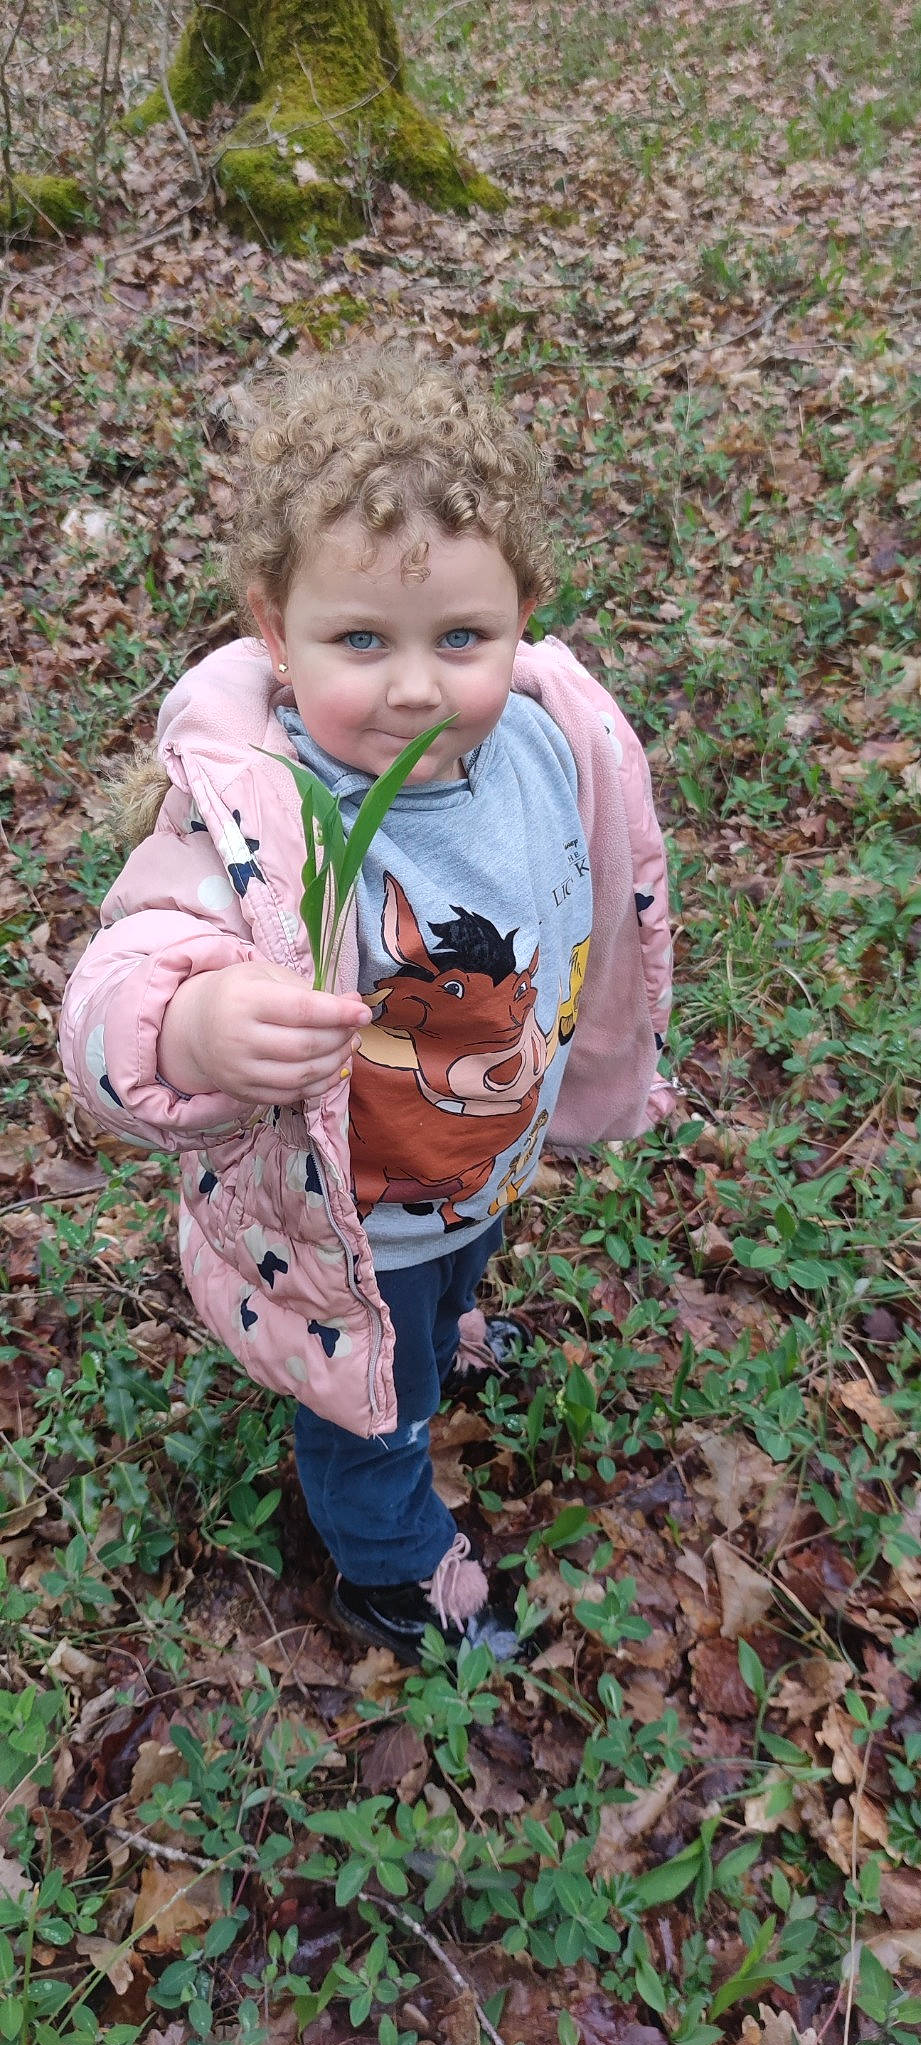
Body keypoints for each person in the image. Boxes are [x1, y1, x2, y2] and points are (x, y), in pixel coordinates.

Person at [58, 344, 674, 1665]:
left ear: (525, 613)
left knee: (457, 1267)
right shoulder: (258, 813)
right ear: (273, 632)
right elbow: (114, 986)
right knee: (370, 1415)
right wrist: (190, 1024)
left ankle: (448, 1316)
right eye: (359, 641)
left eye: (461, 637)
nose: (412, 687)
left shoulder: (548, 742)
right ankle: (388, 1569)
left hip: (472, 1160)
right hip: (344, 1228)